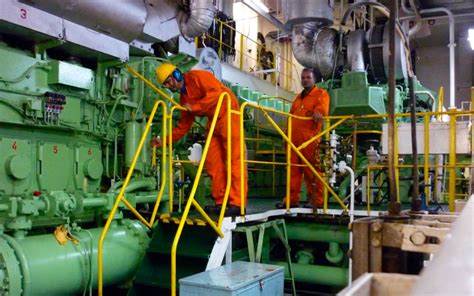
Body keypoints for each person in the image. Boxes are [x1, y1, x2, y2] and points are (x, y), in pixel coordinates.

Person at [154, 63, 247, 216]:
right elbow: (183, 126)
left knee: (234, 159)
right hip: (214, 120)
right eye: (166, 84)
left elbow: (216, 92)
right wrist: (164, 141)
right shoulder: (184, 99)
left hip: (228, 112)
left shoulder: (197, 76)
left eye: (169, 80)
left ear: (177, 74)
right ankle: (221, 201)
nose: (170, 86)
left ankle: (237, 203)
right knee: (212, 161)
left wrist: (196, 107)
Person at [276, 68, 330, 209]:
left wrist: (318, 112)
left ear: (314, 80)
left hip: (309, 141)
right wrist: (286, 137)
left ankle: (316, 201)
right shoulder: (298, 98)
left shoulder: (320, 94)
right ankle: (291, 200)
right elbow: (291, 118)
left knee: (311, 171)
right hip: (293, 142)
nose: (305, 80)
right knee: (293, 172)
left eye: (308, 77)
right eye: (303, 77)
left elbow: (322, 107)